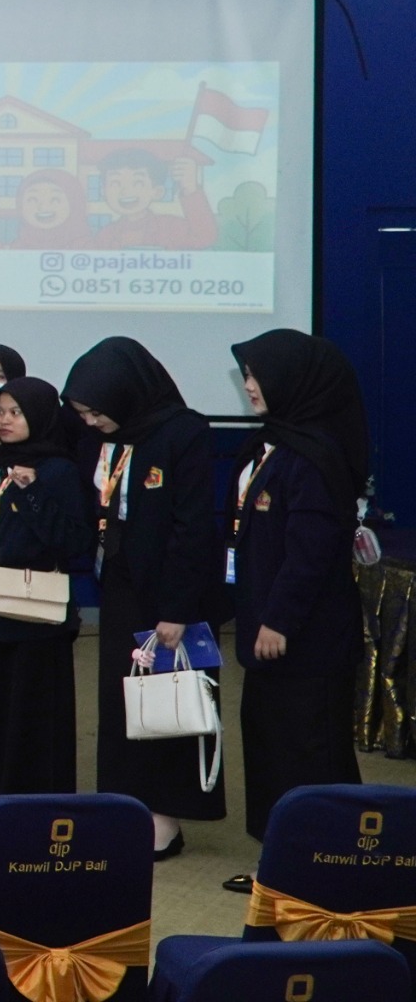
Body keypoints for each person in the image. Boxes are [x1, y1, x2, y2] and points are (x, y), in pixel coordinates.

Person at [63, 336, 223, 857]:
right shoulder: (102, 436)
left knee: (166, 701)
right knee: (122, 700)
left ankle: (164, 819)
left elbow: (193, 528)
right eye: (83, 414)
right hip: (120, 583)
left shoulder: (183, 432)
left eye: (96, 412)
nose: (91, 422)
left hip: (169, 592)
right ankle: (124, 807)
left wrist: (177, 609)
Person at [226, 329, 367, 868]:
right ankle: (282, 860)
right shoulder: (274, 444)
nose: (249, 386)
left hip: (306, 638)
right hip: (267, 626)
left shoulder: (313, 457)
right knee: (270, 742)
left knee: (309, 747)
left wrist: (278, 620)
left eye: (257, 375)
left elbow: (310, 553)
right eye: (245, 376)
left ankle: (325, 861)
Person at [0, 378, 94, 811]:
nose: (4, 420)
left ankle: (33, 812)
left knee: (32, 717)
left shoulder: (58, 469)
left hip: (37, 613)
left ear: (38, 415)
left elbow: (73, 540)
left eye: (15, 412)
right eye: (0, 411)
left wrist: (32, 492)